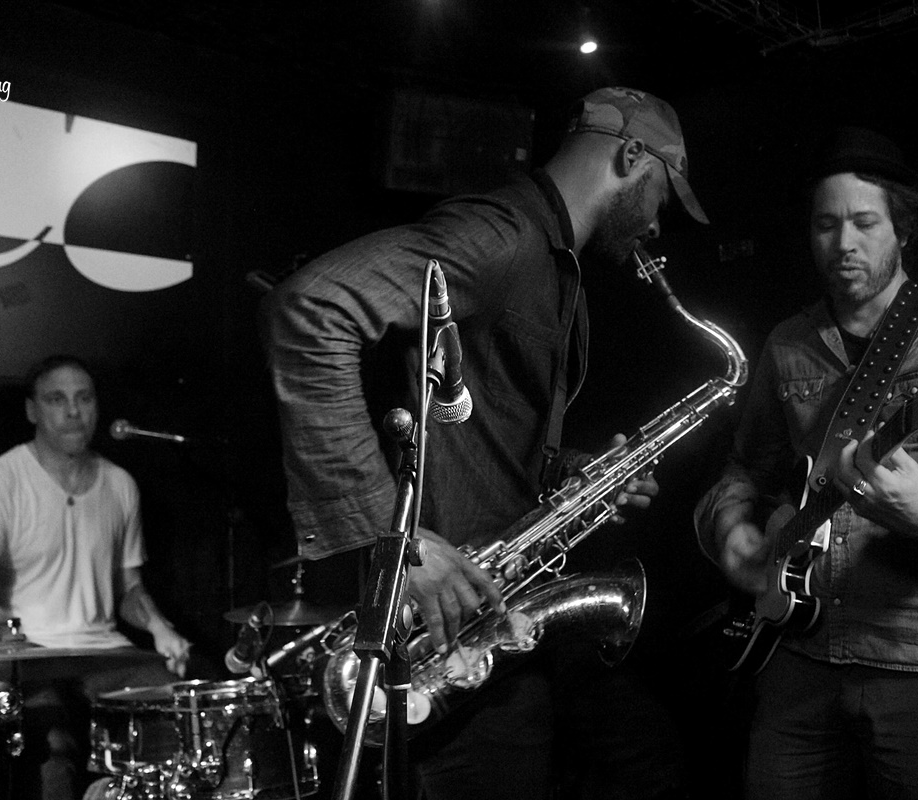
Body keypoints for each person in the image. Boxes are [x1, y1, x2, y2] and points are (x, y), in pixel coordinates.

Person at [264, 87, 704, 799]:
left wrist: (576, 478)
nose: (657, 222)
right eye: (663, 193)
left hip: (484, 612)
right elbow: (311, 307)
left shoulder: (555, 268)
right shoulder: (503, 237)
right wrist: (396, 542)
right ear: (631, 157)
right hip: (440, 629)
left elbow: (472, 428)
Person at [694, 126, 918, 800]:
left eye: (865, 223)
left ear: (902, 227)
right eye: (826, 224)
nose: (844, 242)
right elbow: (746, 470)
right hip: (796, 657)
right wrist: (731, 532)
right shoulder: (788, 342)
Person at [0, 354, 193, 800]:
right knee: (52, 747)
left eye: (84, 398)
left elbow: (129, 589)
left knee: (175, 708)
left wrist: (160, 627)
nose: (73, 411)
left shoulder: (120, 484)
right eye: (57, 400)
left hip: (103, 651)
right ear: (32, 410)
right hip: (29, 653)